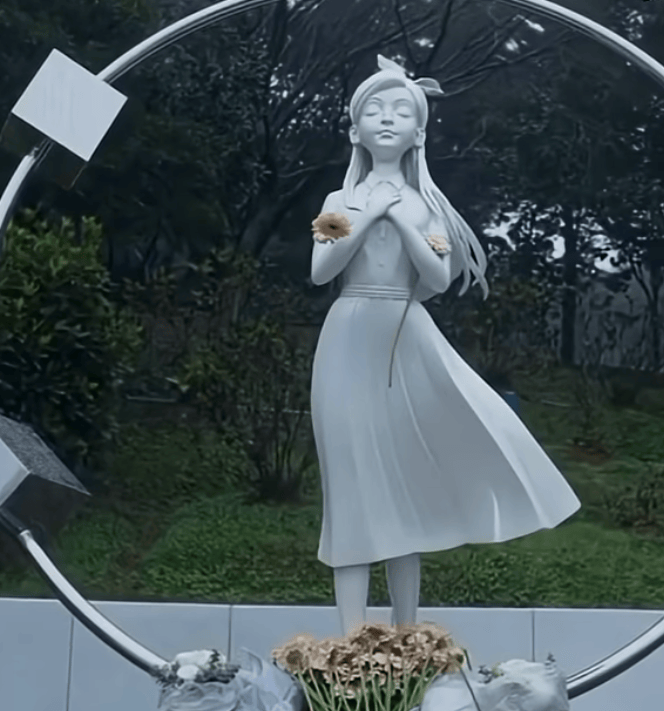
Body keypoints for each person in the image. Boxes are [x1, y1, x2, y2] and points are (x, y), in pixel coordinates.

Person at [309, 55, 580, 637]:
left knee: (402, 488)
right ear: (354, 130)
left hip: (405, 337)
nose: (387, 119)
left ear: (419, 132)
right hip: (348, 335)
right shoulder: (339, 200)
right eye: (374, 110)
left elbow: (435, 279)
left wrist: (401, 222)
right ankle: (351, 639)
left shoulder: (427, 207)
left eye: (400, 110)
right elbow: (321, 268)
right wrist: (367, 215)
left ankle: (405, 633)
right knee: (351, 487)